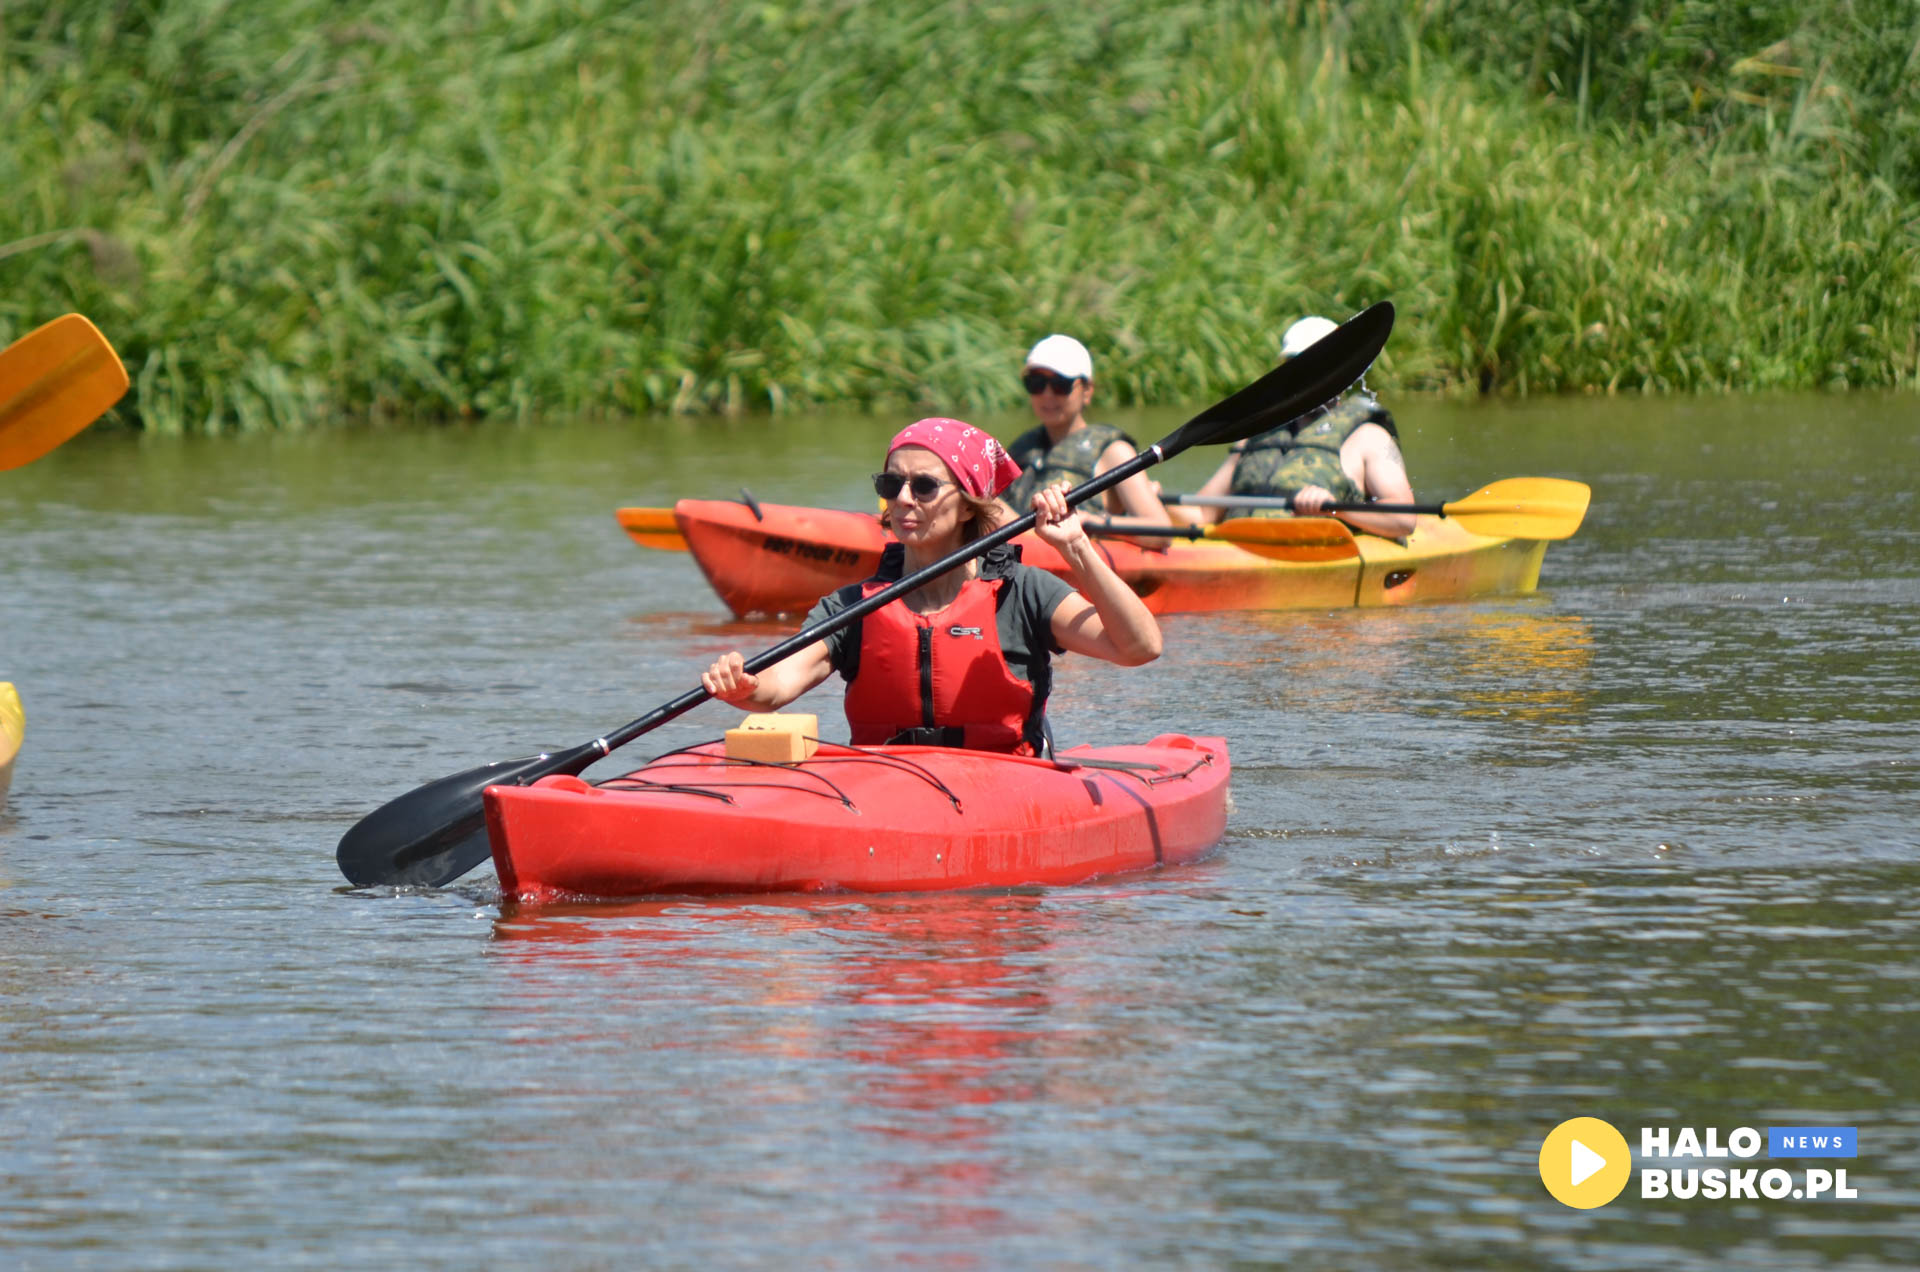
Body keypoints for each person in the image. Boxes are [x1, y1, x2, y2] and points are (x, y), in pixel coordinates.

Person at [701, 418, 1162, 756]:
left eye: (923, 486)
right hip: (887, 786)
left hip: (1005, 788)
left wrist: (1076, 546)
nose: (902, 498)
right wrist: (743, 686)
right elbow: (778, 685)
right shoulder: (852, 608)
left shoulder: (1021, 593)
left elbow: (1139, 647)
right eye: (891, 483)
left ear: (966, 506)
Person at [1184, 315, 1417, 539]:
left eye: (1316, 366)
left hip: (1317, 555)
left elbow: (1403, 519)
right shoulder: (1254, 437)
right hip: (1241, 553)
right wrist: (1156, 499)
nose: (1304, 377)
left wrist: (1337, 509)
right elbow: (1203, 514)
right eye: (1295, 366)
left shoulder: (1369, 438)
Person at [999, 334, 1175, 526]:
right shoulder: (1021, 448)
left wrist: (1091, 521)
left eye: (1060, 385)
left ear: (1087, 390)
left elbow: (1159, 526)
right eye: (1036, 383)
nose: (1047, 394)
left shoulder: (1114, 452)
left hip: (1084, 547)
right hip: (1023, 549)